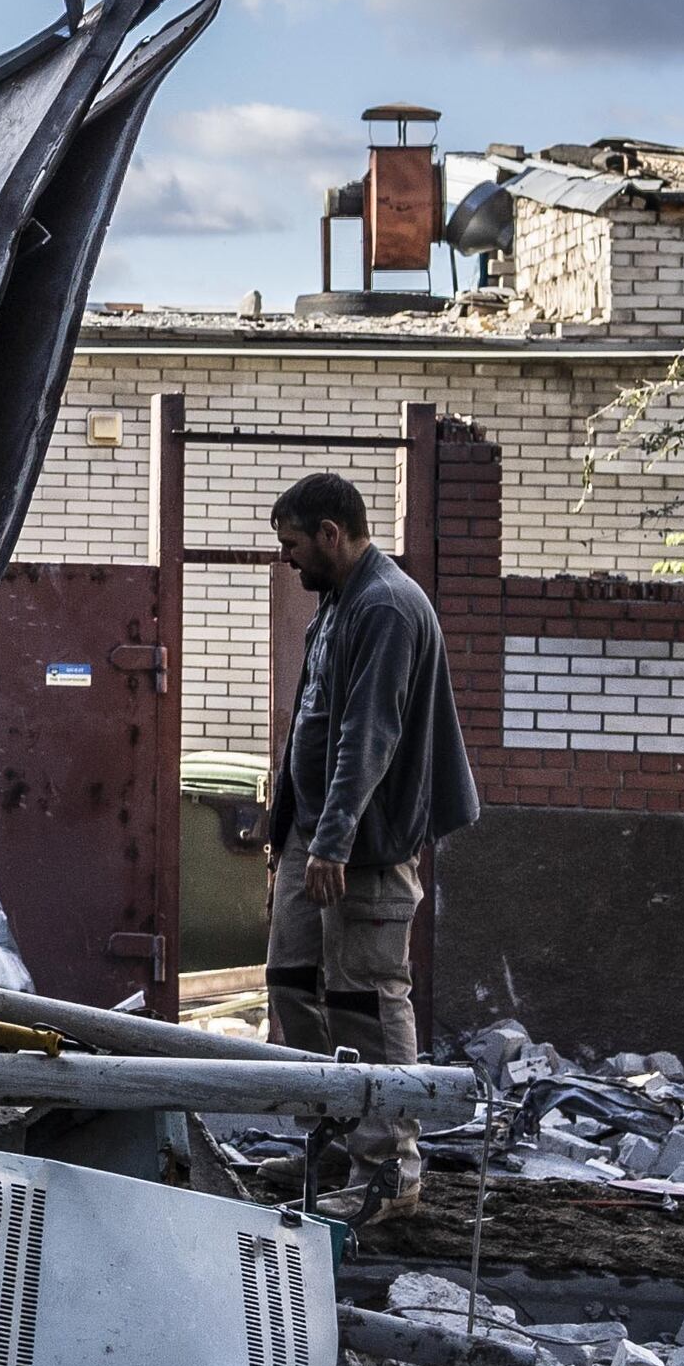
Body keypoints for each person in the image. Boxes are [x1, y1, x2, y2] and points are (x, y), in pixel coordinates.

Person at [259, 471, 480, 1217]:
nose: (288, 560)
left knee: (365, 995)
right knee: (292, 979)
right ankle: (331, 1139)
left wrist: (333, 839)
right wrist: (289, 832)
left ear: (331, 533)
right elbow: (314, 724)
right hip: (314, 837)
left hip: (359, 846)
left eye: (293, 545)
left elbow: (367, 736)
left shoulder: (385, 606)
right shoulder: (340, 602)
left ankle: (390, 1170)